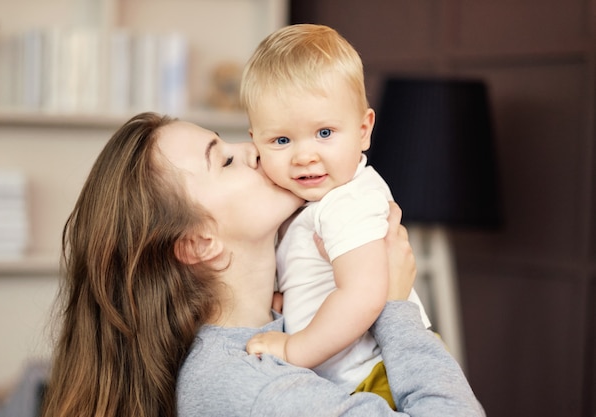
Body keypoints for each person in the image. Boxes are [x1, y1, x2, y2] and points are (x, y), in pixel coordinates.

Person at [40, 112, 484, 417]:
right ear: (197, 243)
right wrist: (392, 304)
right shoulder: (255, 389)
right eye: (225, 160)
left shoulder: (283, 327)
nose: (254, 149)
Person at [240, 23, 431, 406]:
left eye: (324, 133)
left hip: (379, 375)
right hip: (348, 378)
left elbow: (363, 296)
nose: (304, 155)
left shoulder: (348, 202)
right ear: (255, 144)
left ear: (363, 130)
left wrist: (294, 349)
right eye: (281, 140)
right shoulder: (310, 203)